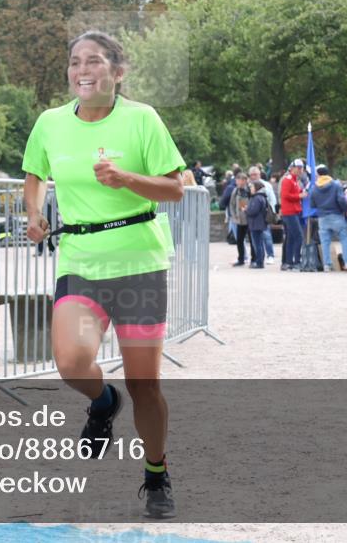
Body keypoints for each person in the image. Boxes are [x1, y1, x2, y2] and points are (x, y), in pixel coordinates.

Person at [22, 31, 184, 518]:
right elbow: (35, 175)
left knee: (145, 386)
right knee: (71, 361)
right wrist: (33, 213)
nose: (82, 70)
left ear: (118, 71)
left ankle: (156, 473)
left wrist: (126, 178)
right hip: (80, 259)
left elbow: (175, 189)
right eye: (75, 62)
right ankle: (102, 401)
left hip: (138, 262)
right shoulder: (50, 123)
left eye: (94, 61)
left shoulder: (143, 119)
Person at [311, 165, 347, 271]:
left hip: (322, 217)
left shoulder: (314, 187)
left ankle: (327, 265)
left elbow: (312, 204)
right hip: (336, 215)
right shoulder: (335, 185)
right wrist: (344, 210)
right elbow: (341, 200)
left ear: (318, 175)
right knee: (344, 239)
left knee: (325, 242)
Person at [279, 160, 307, 271]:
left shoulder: (294, 180)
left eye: (301, 168)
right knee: (298, 236)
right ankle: (296, 261)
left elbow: (296, 191)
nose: (300, 170)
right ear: (292, 168)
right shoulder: (288, 180)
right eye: (298, 168)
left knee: (291, 237)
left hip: (293, 211)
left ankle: (289, 262)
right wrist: (299, 195)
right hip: (290, 212)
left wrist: (301, 192)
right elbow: (285, 195)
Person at [223, 172, 251, 266]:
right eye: (238, 180)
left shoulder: (249, 190)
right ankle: (241, 259)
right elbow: (232, 204)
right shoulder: (235, 191)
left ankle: (255, 258)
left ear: (246, 181)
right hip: (239, 220)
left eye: (243, 180)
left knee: (252, 240)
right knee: (239, 240)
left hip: (249, 219)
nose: (240, 182)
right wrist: (234, 216)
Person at [245, 180, 270, 268]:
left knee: (257, 244)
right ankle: (260, 261)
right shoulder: (261, 197)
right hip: (259, 223)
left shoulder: (257, 198)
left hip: (256, 224)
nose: (250, 189)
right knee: (259, 243)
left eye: (252, 187)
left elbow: (253, 211)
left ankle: (259, 262)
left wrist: (246, 210)